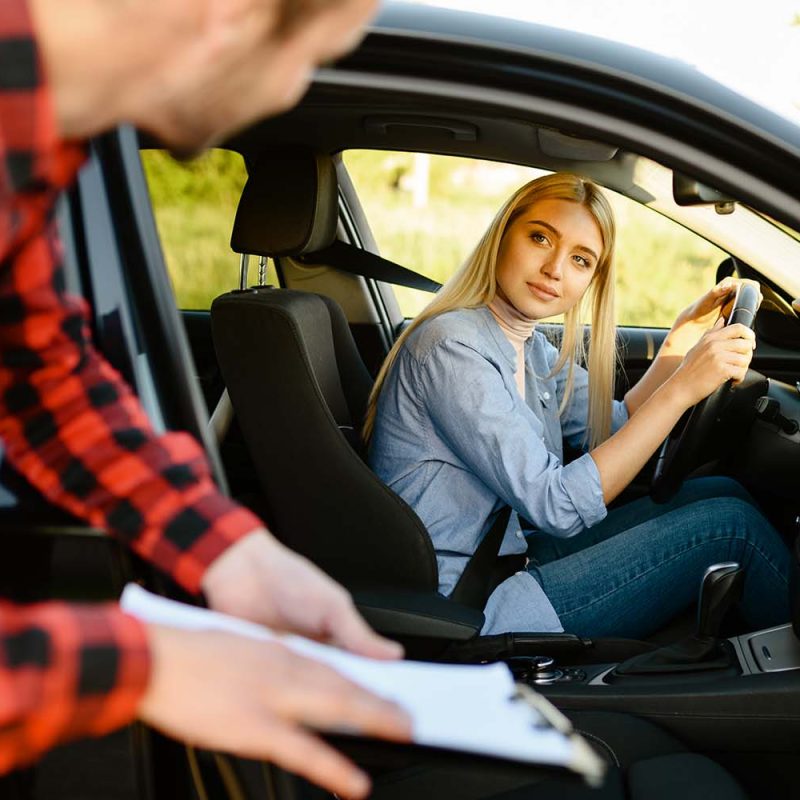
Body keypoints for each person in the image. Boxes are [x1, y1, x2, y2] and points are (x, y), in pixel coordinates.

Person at [0, 0, 412, 797]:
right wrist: (140, 669)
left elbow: (43, 377)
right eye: (311, 61)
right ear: (232, 13)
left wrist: (233, 552)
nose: (291, 93)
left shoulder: (33, 154)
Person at [367, 172, 791, 639]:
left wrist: (680, 340)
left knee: (721, 492)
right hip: (469, 601)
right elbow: (558, 506)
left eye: (580, 259)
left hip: (510, 557)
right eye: (540, 238)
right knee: (733, 528)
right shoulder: (452, 348)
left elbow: (615, 427)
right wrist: (683, 389)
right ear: (502, 235)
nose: (555, 269)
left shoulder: (530, 347)